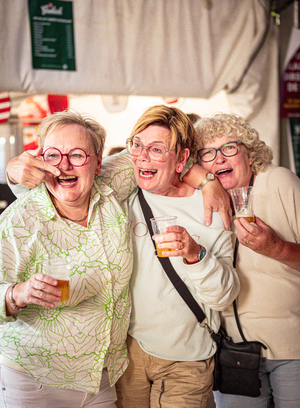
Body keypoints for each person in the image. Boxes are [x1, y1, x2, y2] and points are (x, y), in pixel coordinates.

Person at [6, 105, 238, 408]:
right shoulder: (111, 193)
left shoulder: (202, 209)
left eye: (157, 149)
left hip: (153, 365)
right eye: (137, 145)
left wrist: (206, 192)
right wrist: (11, 171)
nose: (142, 157)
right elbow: (51, 183)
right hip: (89, 364)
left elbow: (223, 297)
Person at [0, 111, 133, 407]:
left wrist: (207, 181)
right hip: (35, 378)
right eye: (53, 155)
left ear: (98, 162)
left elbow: (160, 153)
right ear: (39, 161)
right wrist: (16, 293)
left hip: (99, 377)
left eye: (76, 155)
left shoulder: (111, 191)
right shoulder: (18, 220)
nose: (63, 165)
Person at [185, 113, 300, 408]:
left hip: (293, 346)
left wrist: (276, 248)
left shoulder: (278, 181)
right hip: (233, 350)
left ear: (249, 153)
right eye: (208, 153)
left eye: (230, 148)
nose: (219, 159)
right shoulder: (205, 199)